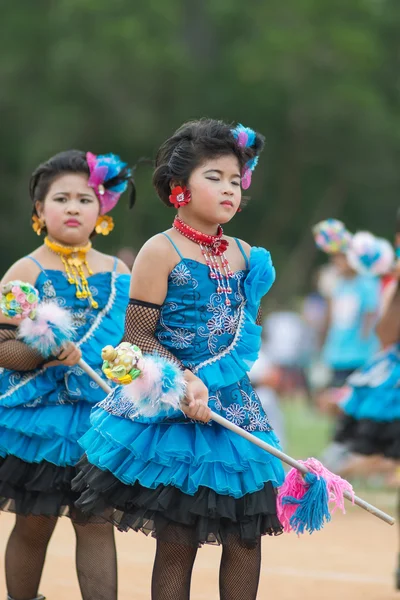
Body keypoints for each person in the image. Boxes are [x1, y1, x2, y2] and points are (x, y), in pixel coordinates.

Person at [74, 119, 285, 600]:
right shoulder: (159, 249)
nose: (228, 189)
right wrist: (184, 382)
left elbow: (240, 339)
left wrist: (209, 382)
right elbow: (139, 337)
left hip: (232, 410)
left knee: (245, 537)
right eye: (214, 177)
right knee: (177, 538)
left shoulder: (248, 255)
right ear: (179, 189)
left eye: (235, 180)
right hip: (169, 408)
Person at [0, 150, 133, 600]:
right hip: (39, 422)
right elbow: (2, 347)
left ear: (102, 210)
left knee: (95, 523)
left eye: (85, 198)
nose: (74, 207)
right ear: (40, 210)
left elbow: (133, 342)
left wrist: (126, 364)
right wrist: (41, 351)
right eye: (61, 199)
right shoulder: (25, 271)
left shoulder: (120, 273)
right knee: (34, 524)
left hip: (101, 421)